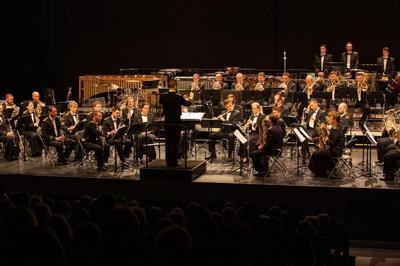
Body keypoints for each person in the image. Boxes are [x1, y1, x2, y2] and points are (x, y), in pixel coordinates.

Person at [159, 87, 192, 167]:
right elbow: (187, 104)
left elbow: (160, 102)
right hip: (176, 121)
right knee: (175, 141)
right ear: (175, 88)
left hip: (167, 121)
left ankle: (168, 161)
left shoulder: (163, 96)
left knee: (168, 141)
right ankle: (174, 162)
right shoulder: (178, 96)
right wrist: (190, 98)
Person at [308, 112, 345, 177]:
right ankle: (325, 169)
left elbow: (333, 143)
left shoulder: (336, 130)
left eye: (331, 119)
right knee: (320, 152)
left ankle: (319, 172)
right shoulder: (338, 127)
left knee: (316, 153)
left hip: (335, 151)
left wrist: (326, 141)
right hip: (336, 149)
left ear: (335, 120)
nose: (329, 120)